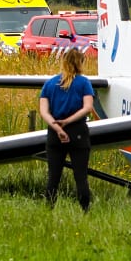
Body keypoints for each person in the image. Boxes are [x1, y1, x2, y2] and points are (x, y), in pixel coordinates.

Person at [38, 47, 96, 211]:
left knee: (53, 177)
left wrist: (57, 127)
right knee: (81, 177)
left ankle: (49, 209)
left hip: (54, 133)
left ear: (63, 61)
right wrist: (67, 122)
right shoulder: (84, 83)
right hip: (77, 131)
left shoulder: (50, 84)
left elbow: (44, 111)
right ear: (81, 63)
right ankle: (85, 210)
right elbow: (87, 108)